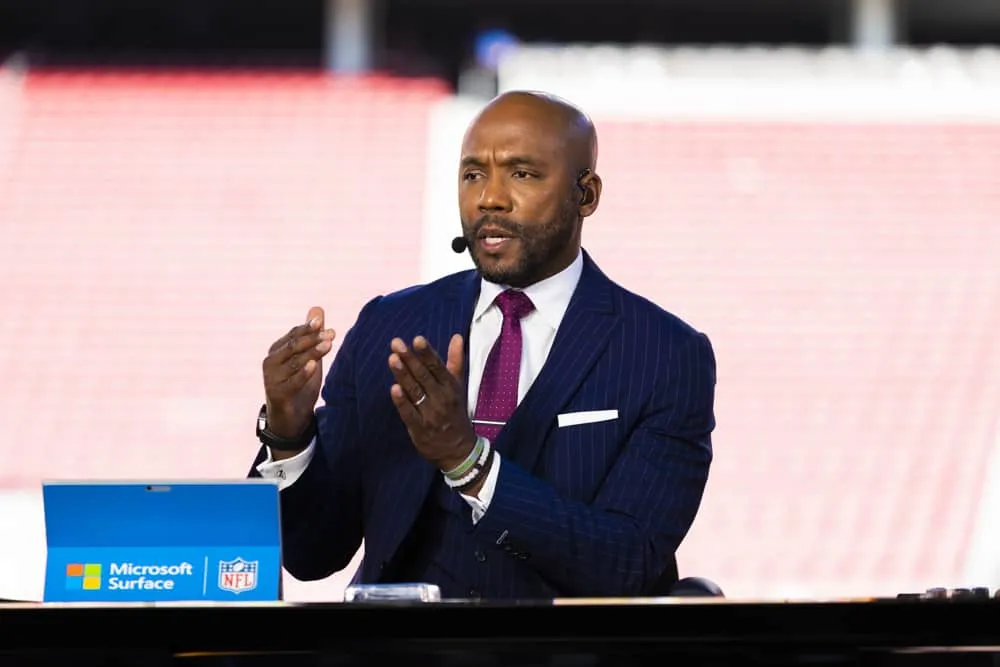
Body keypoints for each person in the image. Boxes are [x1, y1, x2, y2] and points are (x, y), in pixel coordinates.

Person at [250, 90, 717, 600]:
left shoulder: (667, 354)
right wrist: (289, 434)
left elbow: (628, 562)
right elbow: (312, 555)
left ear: (586, 195)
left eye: (522, 173)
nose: (489, 197)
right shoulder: (390, 325)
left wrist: (466, 461)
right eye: (473, 174)